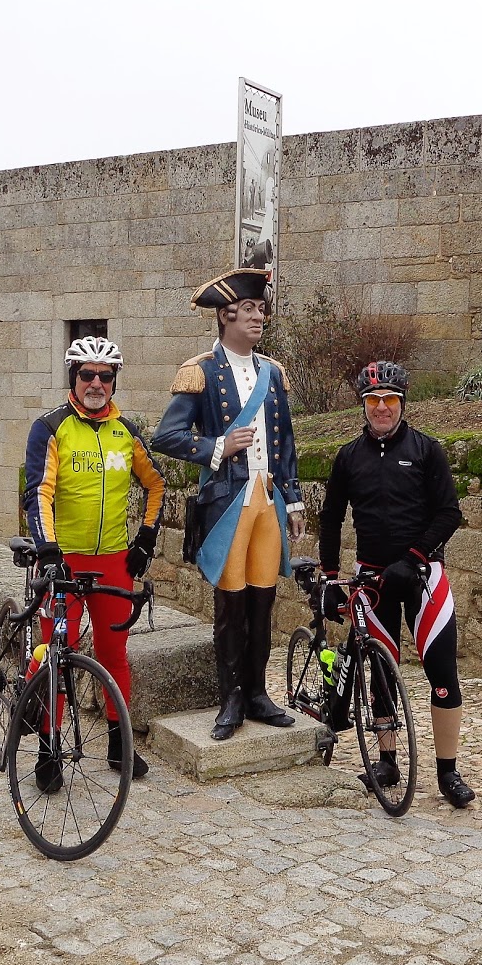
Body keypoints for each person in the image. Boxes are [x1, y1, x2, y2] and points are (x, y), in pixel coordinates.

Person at [152, 267, 304, 742]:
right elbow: (166, 436)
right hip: (228, 499)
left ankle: (257, 693)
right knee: (230, 603)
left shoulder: (273, 372)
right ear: (225, 315)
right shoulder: (200, 371)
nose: (259, 317)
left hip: (268, 499)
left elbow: (286, 442)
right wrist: (218, 446)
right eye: (249, 309)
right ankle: (231, 698)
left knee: (263, 599)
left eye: (261, 309)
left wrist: (294, 501)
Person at [316, 360, 476, 808]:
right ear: (363, 405)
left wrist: (414, 557)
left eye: (389, 399)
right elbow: (331, 519)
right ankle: (387, 761)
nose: (381, 407)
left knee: (442, 673)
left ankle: (448, 772)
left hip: (423, 576)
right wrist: (329, 577)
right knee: (381, 674)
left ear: (402, 403)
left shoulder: (426, 450)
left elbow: (449, 512)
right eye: (373, 400)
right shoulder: (349, 456)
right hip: (373, 580)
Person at [22, 336, 165, 782]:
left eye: (106, 375)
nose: (96, 383)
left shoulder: (126, 432)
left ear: (114, 381)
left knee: (114, 654)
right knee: (56, 653)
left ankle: (119, 747)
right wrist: (48, 551)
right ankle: (48, 750)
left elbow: (157, 485)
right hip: (63, 561)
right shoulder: (51, 427)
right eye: (87, 374)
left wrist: (145, 539)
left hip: (113, 562)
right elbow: (38, 493)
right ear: (74, 377)